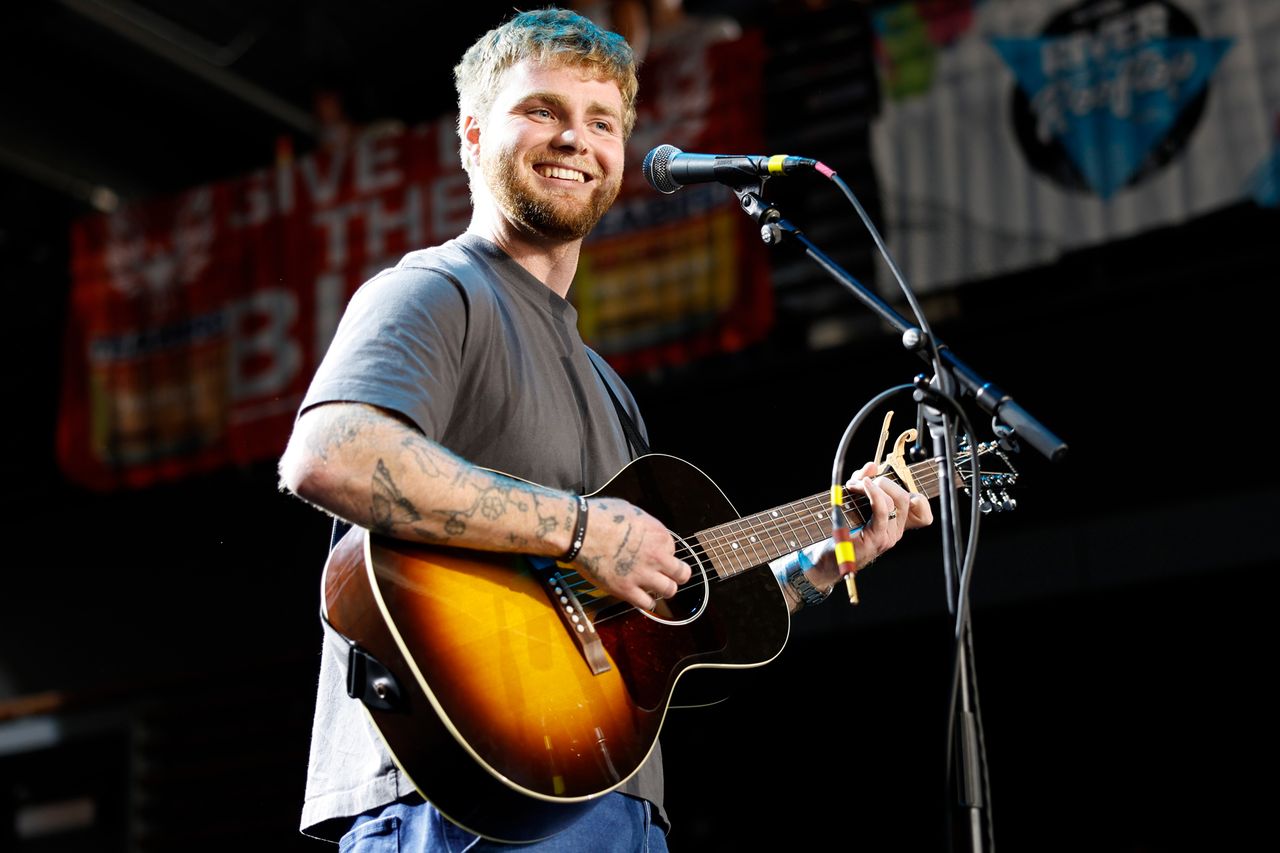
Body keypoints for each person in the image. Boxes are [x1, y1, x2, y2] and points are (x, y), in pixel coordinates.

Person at [277, 7, 931, 851]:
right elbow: (329, 454)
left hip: (612, 800)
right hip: (456, 799)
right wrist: (583, 528)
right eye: (542, 111)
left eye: (601, 122)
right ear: (472, 135)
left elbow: (659, 627)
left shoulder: (608, 386)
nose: (575, 140)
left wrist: (830, 553)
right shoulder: (435, 291)